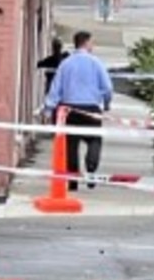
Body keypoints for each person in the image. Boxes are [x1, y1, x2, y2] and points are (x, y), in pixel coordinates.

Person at [44, 31, 114, 191]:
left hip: (70, 109)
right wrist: (107, 103)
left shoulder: (66, 64)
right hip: (91, 108)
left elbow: (56, 89)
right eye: (92, 43)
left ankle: (72, 180)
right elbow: (108, 88)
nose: (93, 46)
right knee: (94, 140)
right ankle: (91, 170)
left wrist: (49, 109)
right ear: (86, 43)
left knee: (71, 144)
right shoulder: (96, 63)